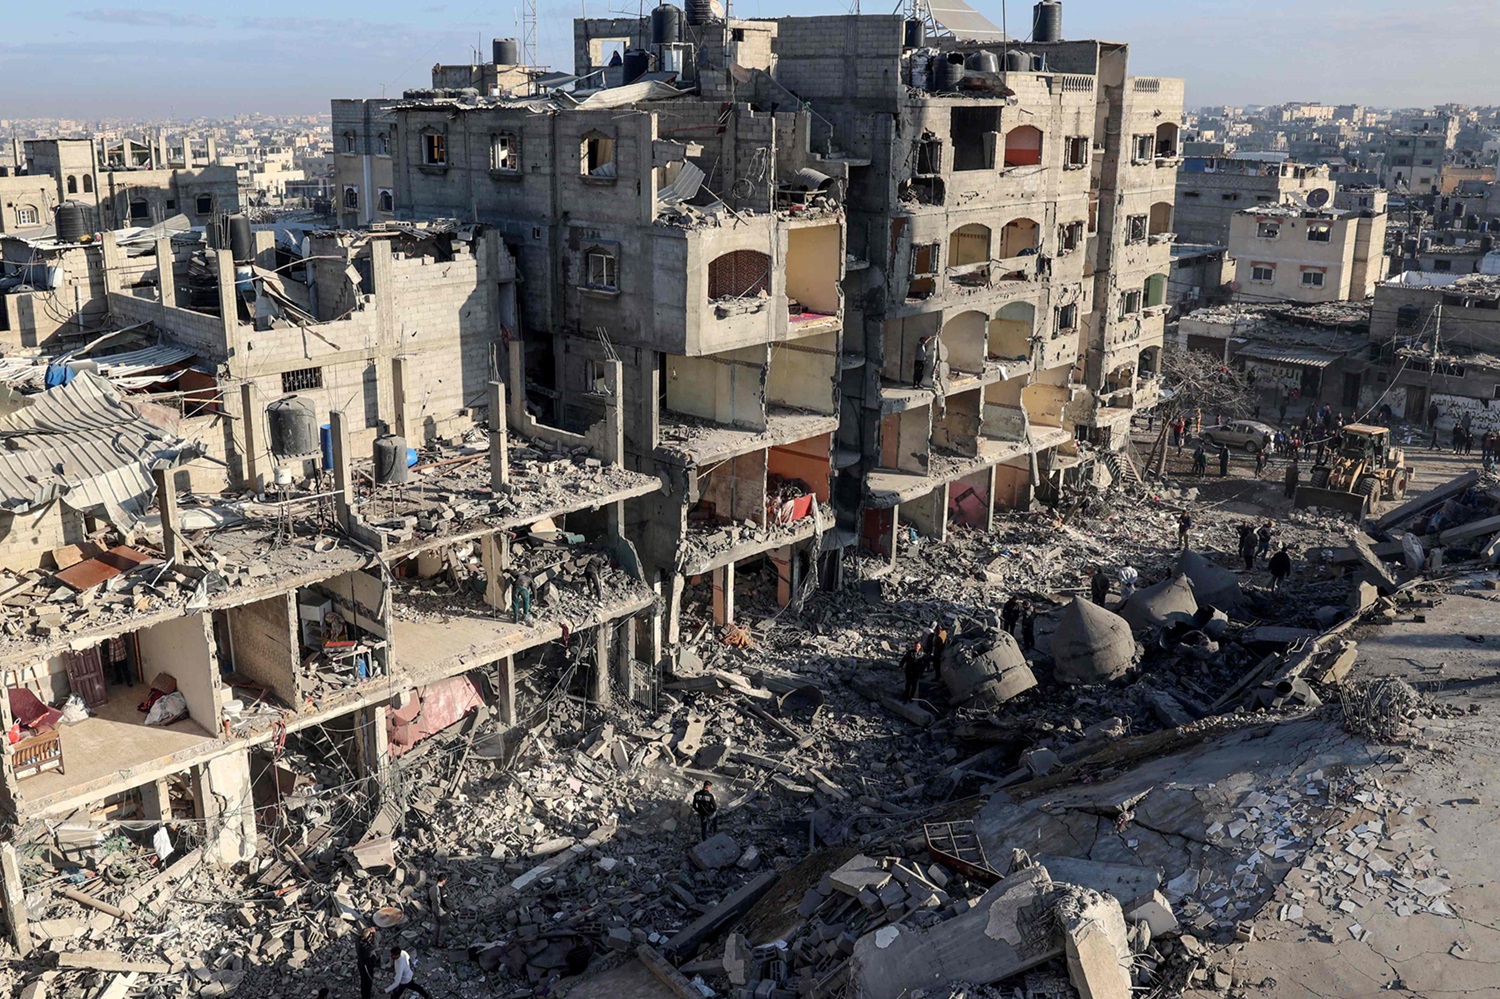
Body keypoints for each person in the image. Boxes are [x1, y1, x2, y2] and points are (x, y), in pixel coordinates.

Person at [357, 928, 380, 999]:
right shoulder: (366, 946)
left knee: (363, 981)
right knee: (367, 982)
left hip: (361, 963)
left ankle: (365, 995)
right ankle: (366, 996)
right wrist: (374, 933)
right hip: (367, 965)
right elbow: (376, 944)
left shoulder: (358, 940)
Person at [428, 874, 448, 949]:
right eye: (445, 880)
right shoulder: (442, 889)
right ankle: (440, 943)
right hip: (441, 911)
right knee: (444, 926)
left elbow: (428, 900)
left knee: (437, 925)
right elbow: (445, 901)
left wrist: (431, 908)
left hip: (434, 909)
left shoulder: (431, 888)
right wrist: (448, 908)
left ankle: (434, 941)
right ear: (443, 881)